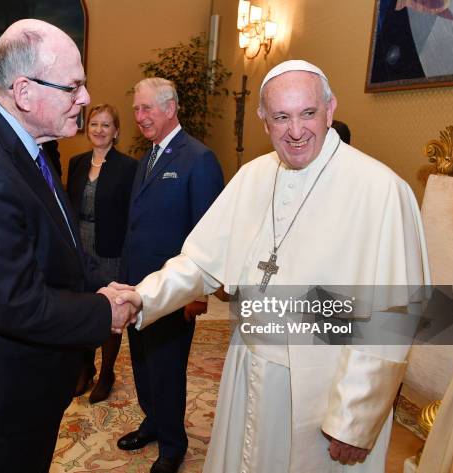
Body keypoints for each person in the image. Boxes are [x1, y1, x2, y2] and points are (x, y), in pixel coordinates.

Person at [115, 60, 430, 472]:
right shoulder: (252, 177)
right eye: (281, 117)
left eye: (308, 113)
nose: (295, 131)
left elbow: (396, 316)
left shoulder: (383, 191)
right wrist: (141, 297)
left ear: (331, 108)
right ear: (264, 121)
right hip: (249, 368)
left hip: (325, 388)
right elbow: (198, 263)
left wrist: (355, 418)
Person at [0, 19, 136, 473]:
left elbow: (57, 243)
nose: (85, 98)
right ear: (24, 92)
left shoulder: (24, 147)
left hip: (26, 378)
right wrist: (104, 312)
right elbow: (13, 302)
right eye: (73, 86)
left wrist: (109, 282)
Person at [116, 78, 224, 473]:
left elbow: (208, 233)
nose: (139, 117)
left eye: (146, 109)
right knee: (143, 364)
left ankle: (173, 445)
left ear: (170, 108)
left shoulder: (199, 159)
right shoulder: (147, 159)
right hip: (138, 288)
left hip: (174, 291)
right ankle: (153, 421)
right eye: (136, 110)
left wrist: (198, 294)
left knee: (167, 367)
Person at [67, 104, 137, 403]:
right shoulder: (77, 162)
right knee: (81, 309)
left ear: (116, 132)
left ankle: (107, 372)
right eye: (94, 124)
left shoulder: (127, 167)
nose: (99, 130)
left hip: (110, 250)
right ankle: (85, 366)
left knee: (110, 310)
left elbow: (132, 215)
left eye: (106, 125)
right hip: (78, 247)